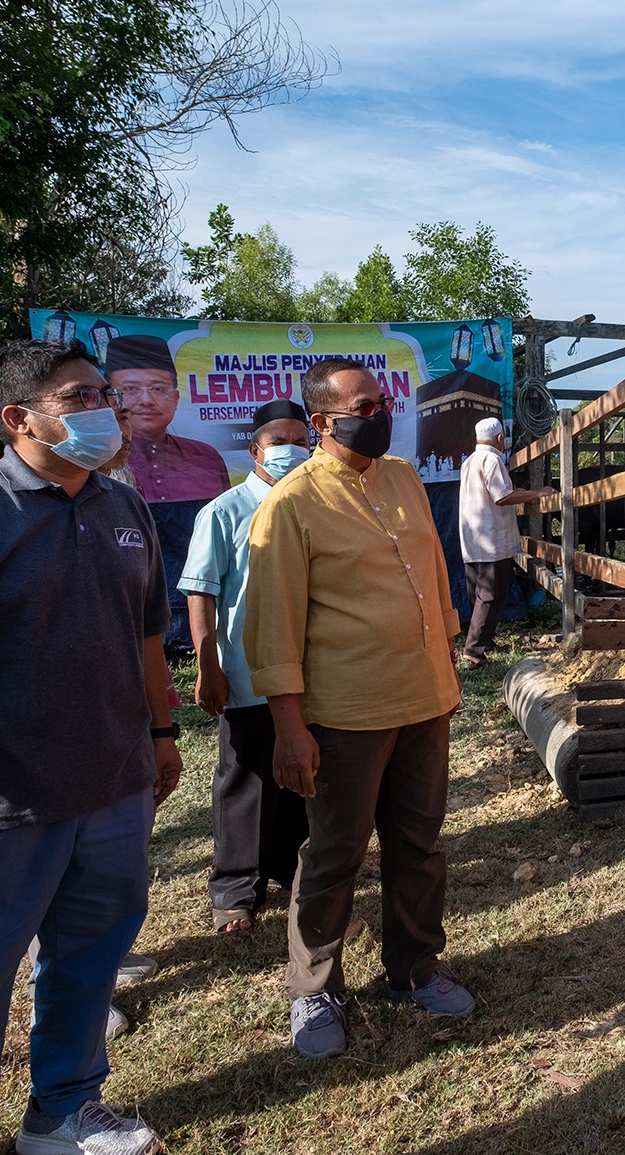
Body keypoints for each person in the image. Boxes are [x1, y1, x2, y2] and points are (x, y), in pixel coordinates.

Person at [0, 339, 179, 1155]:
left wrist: (160, 732)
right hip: (1, 804)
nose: (109, 407)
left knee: (89, 958)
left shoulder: (121, 507)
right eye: (84, 394)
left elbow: (149, 633)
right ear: (20, 418)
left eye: (106, 391)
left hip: (115, 786)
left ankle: (62, 1110)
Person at [245, 357, 470, 1059]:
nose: (381, 415)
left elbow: (432, 571)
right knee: (335, 853)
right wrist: (289, 727)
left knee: (420, 844)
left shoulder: (401, 476)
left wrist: (449, 658)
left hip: (423, 698)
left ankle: (412, 969)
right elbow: (274, 624)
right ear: (322, 422)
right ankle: (314, 986)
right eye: (364, 408)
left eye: (383, 403)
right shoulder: (293, 503)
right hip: (344, 715)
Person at [180, 399, 313, 936]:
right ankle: (236, 889)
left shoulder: (315, 505)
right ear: (256, 449)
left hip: (310, 672)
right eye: (281, 440)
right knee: (246, 778)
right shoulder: (224, 511)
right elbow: (201, 593)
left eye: (302, 440)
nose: (293, 450)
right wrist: (208, 664)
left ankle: (292, 870)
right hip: (247, 669)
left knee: (302, 776)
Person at [103, 334, 228, 655]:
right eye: (130, 389)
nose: (146, 400)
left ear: (175, 397)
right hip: (132, 625)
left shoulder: (207, 457)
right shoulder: (98, 464)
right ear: (109, 397)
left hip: (205, 620)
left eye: (158, 388)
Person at [455, 416, 549, 668]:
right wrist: (537, 493)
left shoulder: (470, 462)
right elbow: (501, 496)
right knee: (490, 595)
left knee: (478, 593)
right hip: (491, 539)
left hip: (472, 539)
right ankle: (473, 652)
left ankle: (483, 642)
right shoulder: (493, 459)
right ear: (499, 438)